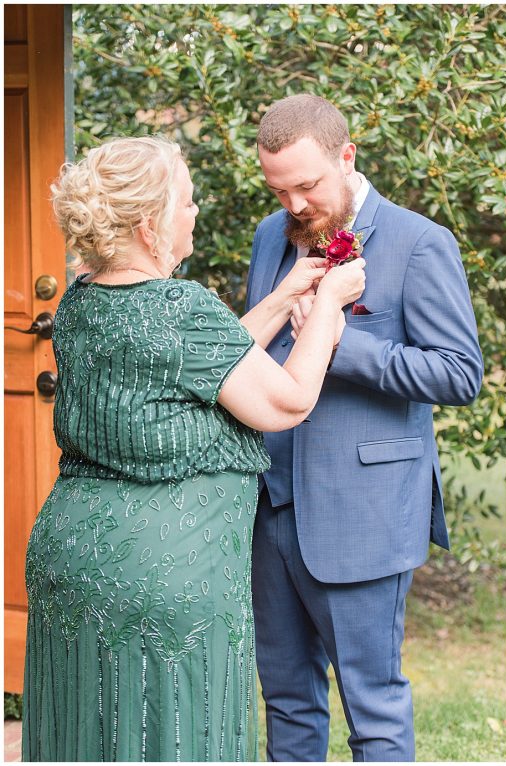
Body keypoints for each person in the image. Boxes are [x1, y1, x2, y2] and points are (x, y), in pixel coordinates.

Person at [22, 135, 366, 761]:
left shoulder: (80, 298)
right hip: (162, 575)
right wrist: (328, 309)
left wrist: (288, 293)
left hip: (70, 559)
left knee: (86, 735)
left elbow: (205, 361)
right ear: (151, 227)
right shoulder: (181, 306)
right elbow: (285, 401)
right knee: (174, 736)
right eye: (186, 201)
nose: (195, 212)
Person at [246, 94, 483, 762]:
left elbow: (459, 374)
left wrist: (347, 349)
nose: (293, 205)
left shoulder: (418, 243)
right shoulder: (273, 237)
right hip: (271, 509)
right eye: (278, 189)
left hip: (364, 517)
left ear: (346, 156)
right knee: (286, 702)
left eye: (307, 185)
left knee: (371, 709)